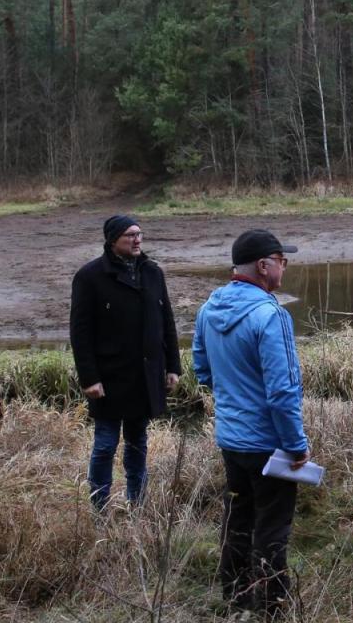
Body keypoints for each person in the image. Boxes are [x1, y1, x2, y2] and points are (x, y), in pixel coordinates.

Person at [192, 229, 310, 617]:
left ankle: (235, 596)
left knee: (239, 517)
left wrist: (233, 399)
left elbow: (202, 370)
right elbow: (283, 391)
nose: (284, 267)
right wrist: (296, 446)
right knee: (273, 527)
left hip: (231, 440)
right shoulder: (271, 314)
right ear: (263, 266)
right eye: (282, 260)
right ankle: (271, 606)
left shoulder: (209, 308)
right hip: (268, 445)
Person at [70, 214, 181, 510]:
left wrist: (172, 366)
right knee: (105, 445)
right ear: (112, 239)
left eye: (139, 234)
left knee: (137, 443)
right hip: (109, 377)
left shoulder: (153, 273)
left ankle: (137, 506)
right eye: (130, 235)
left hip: (145, 375)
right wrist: (89, 378)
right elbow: (80, 334)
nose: (137, 240)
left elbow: (166, 321)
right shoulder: (89, 276)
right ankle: (100, 509)